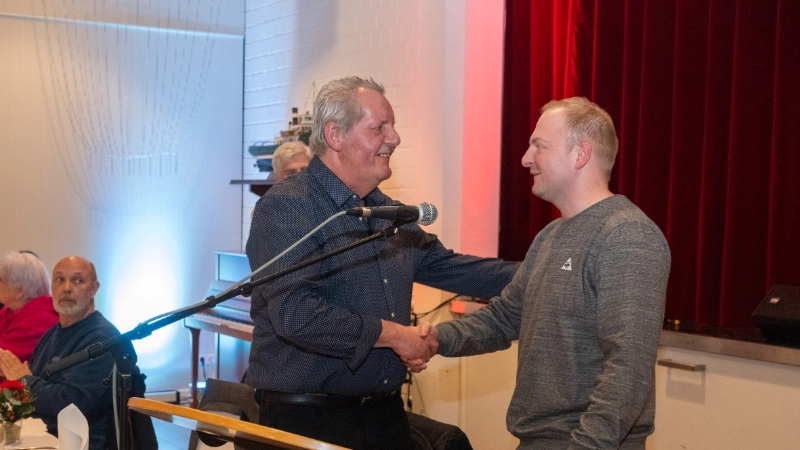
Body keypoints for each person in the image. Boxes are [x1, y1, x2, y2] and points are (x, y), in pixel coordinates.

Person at [245, 76, 518, 450]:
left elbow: (455, 269)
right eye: (380, 127)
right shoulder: (288, 207)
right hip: (307, 423)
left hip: (383, 418)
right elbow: (296, 314)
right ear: (336, 135)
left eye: (393, 126)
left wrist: (542, 270)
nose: (395, 138)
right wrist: (395, 336)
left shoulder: (385, 213)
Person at [424, 97, 671, 449]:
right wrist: (433, 339)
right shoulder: (550, 236)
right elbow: (505, 317)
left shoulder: (626, 235)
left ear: (580, 154)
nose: (526, 158)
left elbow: (628, 364)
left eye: (539, 146)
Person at [0, 256, 152, 450]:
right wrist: (23, 383)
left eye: (78, 280)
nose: (67, 288)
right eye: (60, 279)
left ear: (94, 288)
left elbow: (71, 403)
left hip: (85, 443)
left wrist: (24, 380)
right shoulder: (52, 333)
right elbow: (35, 393)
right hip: (45, 434)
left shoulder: (101, 339)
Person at [0, 251, 59, 362]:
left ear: (20, 291)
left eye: (1, 280)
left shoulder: (39, 320)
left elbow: (4, 359)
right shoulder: (10, 309)